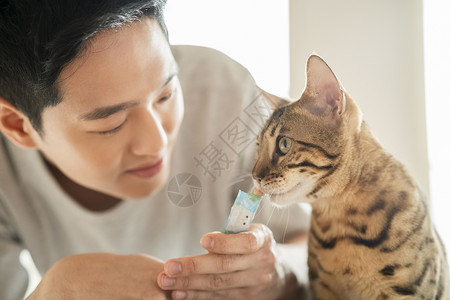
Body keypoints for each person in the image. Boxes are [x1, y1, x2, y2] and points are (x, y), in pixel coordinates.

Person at [0, 1, 310, 299]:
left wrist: (279, 272)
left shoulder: (225, 95)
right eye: (111, 123)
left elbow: (308, 243)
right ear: (17, 125)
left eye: (166, 95)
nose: (157, 143)